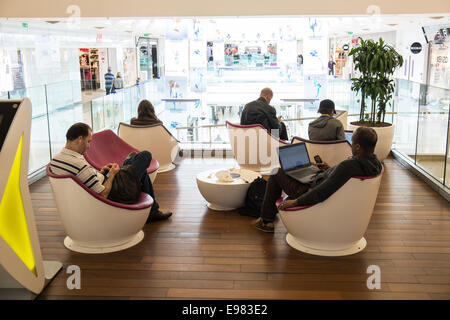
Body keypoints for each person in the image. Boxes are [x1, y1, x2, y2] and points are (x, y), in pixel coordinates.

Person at [252, 127, 382, 233]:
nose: (351, 146)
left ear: (358, 147)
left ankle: (266, 220)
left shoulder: (349, 165)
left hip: (309, 192)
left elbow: (323, 191)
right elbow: (338, 179)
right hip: (321, 184)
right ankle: (267, 216)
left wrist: (295, 202)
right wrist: (328, 169)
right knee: (288, 172)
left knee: (276, 172)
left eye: (352, 142)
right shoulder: (375, 164)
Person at [50, 123, 172, 223]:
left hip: (106, 183)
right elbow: (103, 193)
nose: (89, 146)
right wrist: (112, 174)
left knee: (138, 165)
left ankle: (153, 211)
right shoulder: (79, 164)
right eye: (88, 141)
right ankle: (153, 211)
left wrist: (101, 172)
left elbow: (87, 179)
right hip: (118, 191)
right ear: (79, 139)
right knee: (145, 156)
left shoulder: (56, 160)